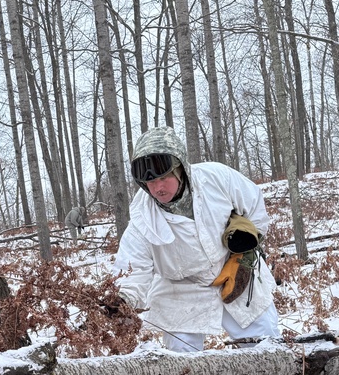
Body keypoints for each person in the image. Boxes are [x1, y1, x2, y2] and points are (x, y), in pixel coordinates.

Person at [112, 127, 279, 353]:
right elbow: (133, 270)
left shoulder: (217, 179)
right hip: (180, 289)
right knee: (184, 368)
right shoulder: (142, 220)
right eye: (150, 182)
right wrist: (122, 301)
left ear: (180, 168)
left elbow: (254, 208)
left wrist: (245, 254)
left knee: (267, 344)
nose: (158, 188)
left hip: (234, 268)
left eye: (164, 177)